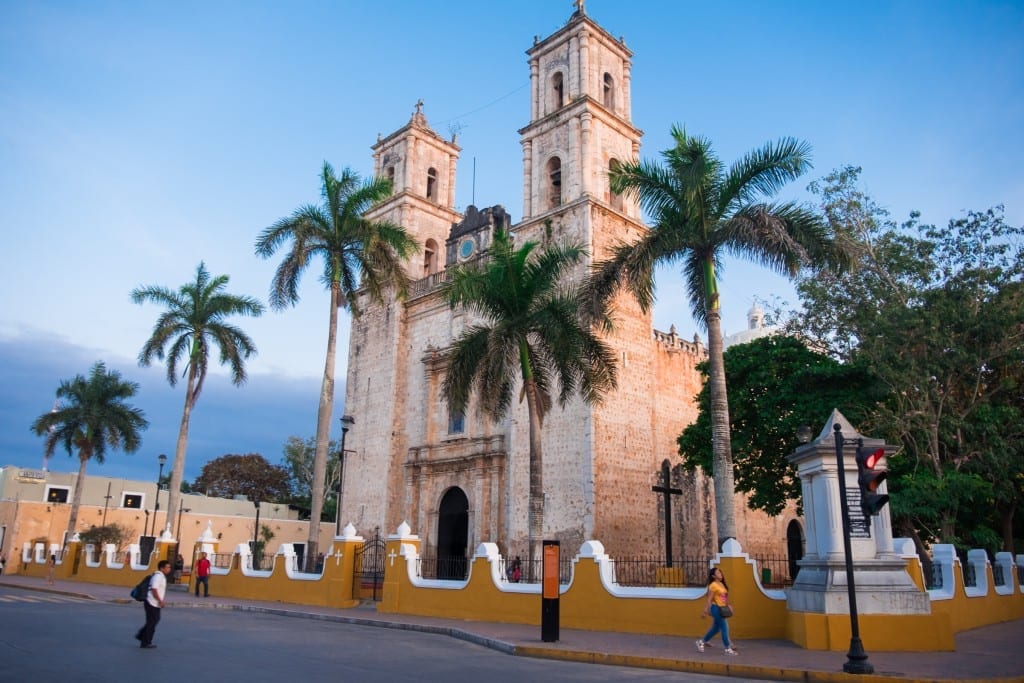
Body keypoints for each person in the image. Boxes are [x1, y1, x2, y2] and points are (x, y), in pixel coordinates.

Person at [696, 567, 738, 655]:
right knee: (724, 627)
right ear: (713, 576)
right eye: (718, 573)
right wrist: (706, 610)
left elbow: (724, 597)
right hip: (716, 608)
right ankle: (727, 649)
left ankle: (701, 641)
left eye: (720, 572)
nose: (720, 574)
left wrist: (729, 606)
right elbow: (709, 599)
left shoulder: (721, 584)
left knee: (715, 629)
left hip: (723, 609)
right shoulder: (713, 585)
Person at [135, 560, 171, 649]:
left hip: (154, 603)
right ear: (162, 568)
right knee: (152, 622)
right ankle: (145, 642)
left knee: (153, 621)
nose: (169, 569)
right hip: (151, 602)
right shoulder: (158, 576)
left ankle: (141, 636)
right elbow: (154, 589)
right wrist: (160, 601)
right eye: (167, 567)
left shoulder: (161, 576)